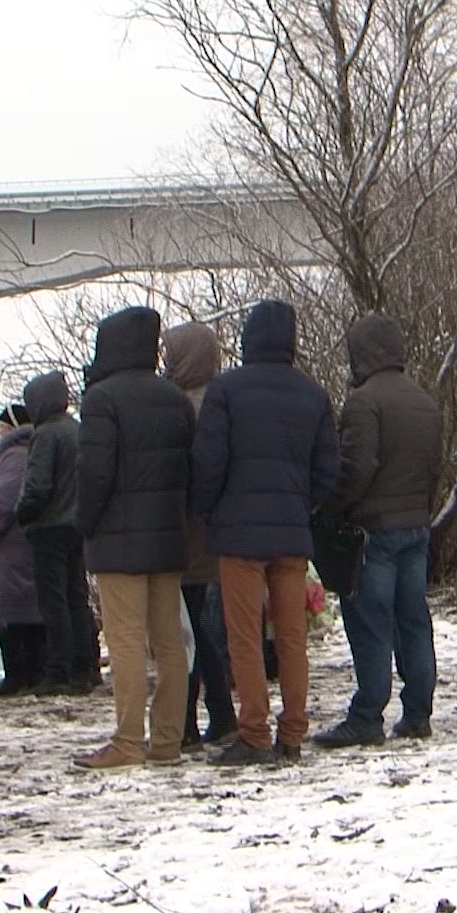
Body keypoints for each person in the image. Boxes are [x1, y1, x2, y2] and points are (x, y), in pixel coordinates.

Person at [191, 299, 339, 766]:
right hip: (291, 533)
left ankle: (253, 733)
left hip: (238, 535)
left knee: (244, 636)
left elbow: (208, 463)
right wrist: (301, 506)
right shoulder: (314, 395)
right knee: (292, 636)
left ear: (248, 338)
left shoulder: (226, 389)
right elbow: (327, 470)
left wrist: (210, 510)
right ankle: (293, 734)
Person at [72, 306, 198, 769]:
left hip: (117, 540)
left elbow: (94, 474)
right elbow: (191, 472)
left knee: (125, 640)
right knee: (168, 641)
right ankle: (167, 739)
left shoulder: (101, 399)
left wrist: (83, 524)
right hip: (167, 538)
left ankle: (127, 741)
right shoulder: (175, 399)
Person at [313, 313, 443, 746]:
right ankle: (419, 711)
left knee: (371, 623)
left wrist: (328, 509)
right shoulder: (425, 401)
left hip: (372, 532)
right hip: (415, 526)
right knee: (414, 620)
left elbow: (356, 467)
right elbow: (434, 468)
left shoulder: (363, 402)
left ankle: (368, 716)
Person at [163, 321, 238, 750]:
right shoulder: (226, 399)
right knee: (209, 628)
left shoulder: (180, 406)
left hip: (187, 531)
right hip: (223, 531)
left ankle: (189, 720)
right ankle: (220, 713)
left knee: (185, 631)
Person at [16, 370, 102, 696]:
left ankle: (58, 671)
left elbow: (38, 486)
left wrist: (22, 514)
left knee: (53, 602)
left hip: (49, 527)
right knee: (77, 598)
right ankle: (87, 667)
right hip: (77, 525)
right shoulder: (78, 431)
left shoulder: (46, 435)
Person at [0, 404, 45, 697]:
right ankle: (26, 673)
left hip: (9, 548)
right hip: (16, 547)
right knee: (21, 609)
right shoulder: (21, 454)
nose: (0, 431)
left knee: (14, 611)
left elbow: (4, 505)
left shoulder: (15, 458)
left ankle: (20, 675)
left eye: (3, 425)